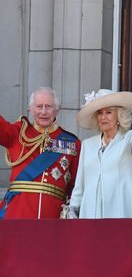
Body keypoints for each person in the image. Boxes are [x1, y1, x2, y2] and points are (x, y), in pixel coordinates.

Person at [67, 87, 132, 218]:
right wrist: (73, 209)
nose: (103, 117)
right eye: (100, 113)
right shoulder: (87, 145)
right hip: (90, 213)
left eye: (108, 112)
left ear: (119, 116)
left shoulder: (129, 139)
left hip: (121, 210)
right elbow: (80, 184)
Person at [0, 87, 81, 219]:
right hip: (17, 213)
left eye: (48, 106)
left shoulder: (72, 142)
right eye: (39, 106)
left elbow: (75, 186)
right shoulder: (18, 133)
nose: (43, 112)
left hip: (52, 216)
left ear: (57, 110)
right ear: (30, 109)